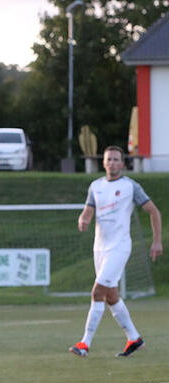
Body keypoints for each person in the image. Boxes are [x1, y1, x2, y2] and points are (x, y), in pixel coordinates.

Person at [69, 145, 162, 358]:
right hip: (99, 248)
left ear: (122, 163)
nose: (111, 162)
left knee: (97, 292)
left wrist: (157, 241)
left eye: (116, 159)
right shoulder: (95, 186)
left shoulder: (131, 187)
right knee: (111, 295)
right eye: (108, 159)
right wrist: (83, 218)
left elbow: (154, 211)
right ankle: (134, 338)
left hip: (119, 247)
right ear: (103, 162)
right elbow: (88, 210)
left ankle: (85, 343)